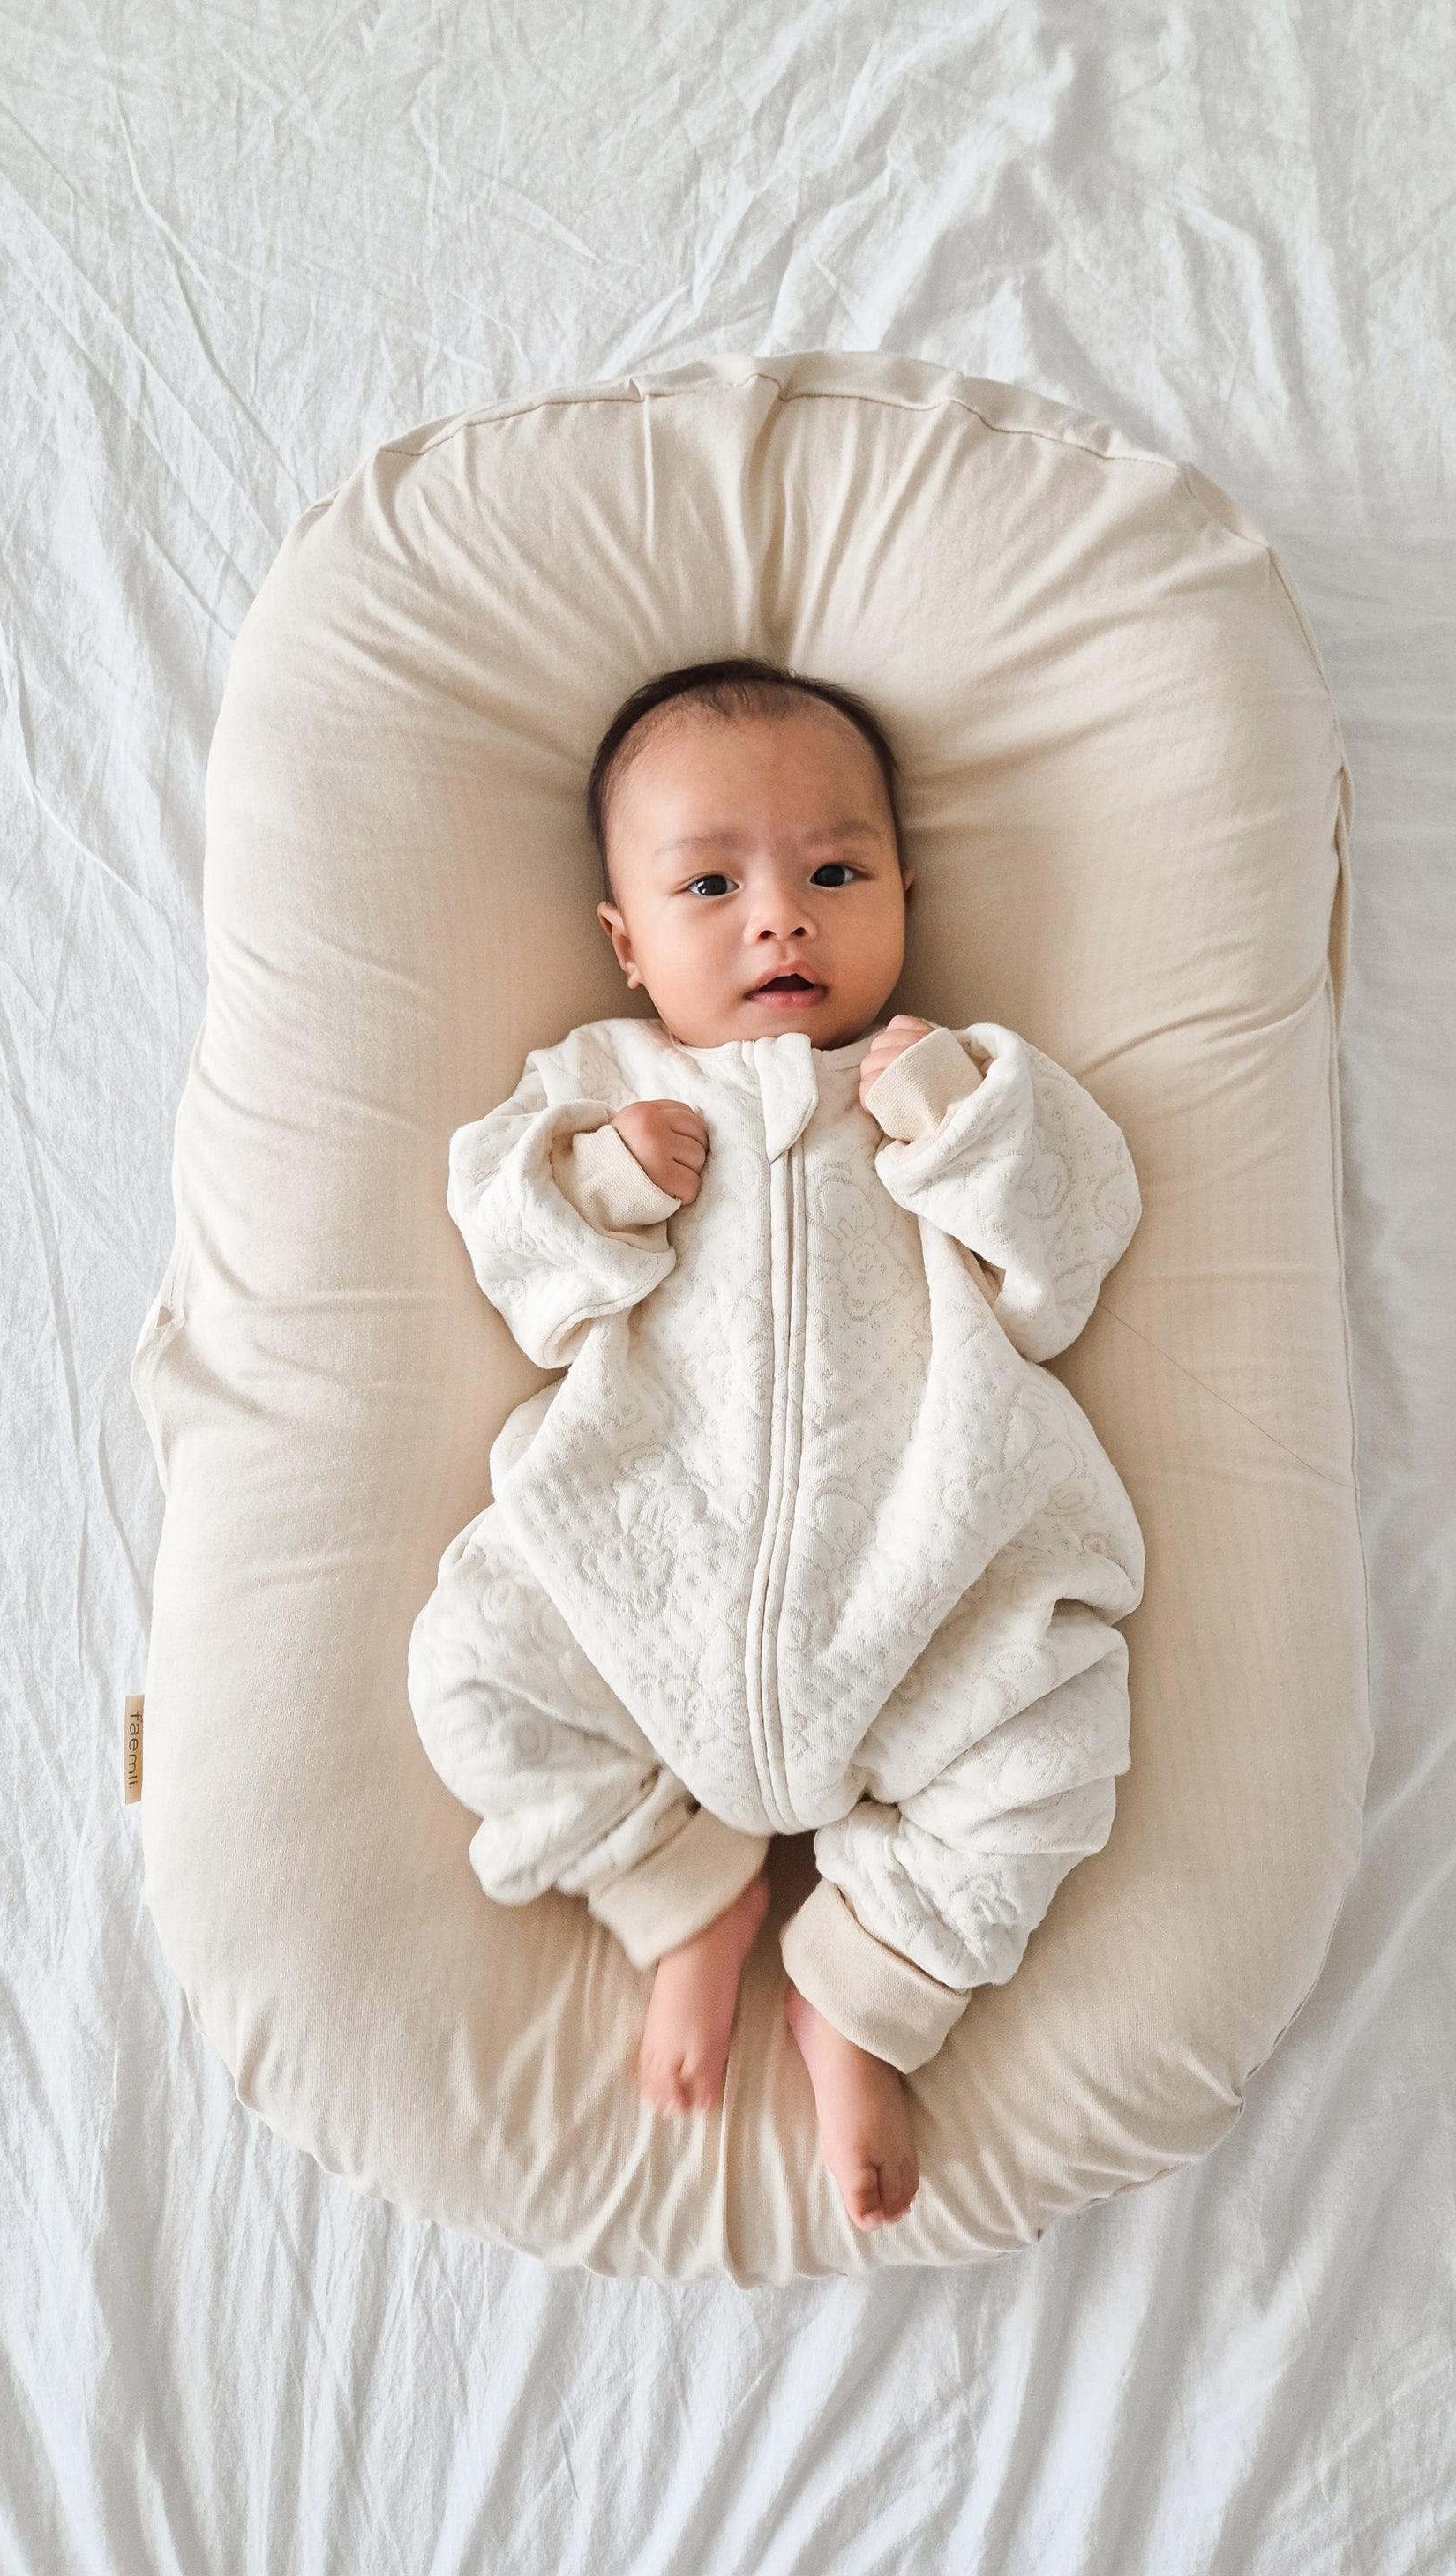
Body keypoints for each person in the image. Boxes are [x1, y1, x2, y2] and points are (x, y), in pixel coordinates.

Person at [407, 660, 1145, 2231]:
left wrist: (956, 1127)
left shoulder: (953, 1080)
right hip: (643, 1573)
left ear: (902, 889)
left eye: (832, 871)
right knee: (471, 1667)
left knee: (1054, 1748)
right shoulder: (597, 1086)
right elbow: (510, 1254)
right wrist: (595, 1185)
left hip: (926, 1574)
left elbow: (1065, 1254)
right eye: (708, 883)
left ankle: (860, 1996)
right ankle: (684, 1895)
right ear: (624, 941)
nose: (780, 919)